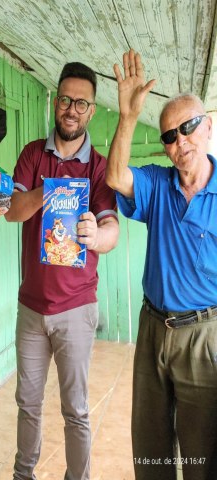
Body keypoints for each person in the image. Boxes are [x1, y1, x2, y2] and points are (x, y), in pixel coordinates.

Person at [4, 61, 119, 480]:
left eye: (82, 103)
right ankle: (23, 474)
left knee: (76, 409)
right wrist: (49, 191)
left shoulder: (99, 167)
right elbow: (12, 212)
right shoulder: (34, 155)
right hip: (32, 309)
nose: (72, 109)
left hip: (76, 308)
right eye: (66, 100)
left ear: (91, 111)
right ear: (56, 102)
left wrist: (94, 232)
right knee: (27, 403)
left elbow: (112, 232)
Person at [106, 49, 217, 480]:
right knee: (149, 445)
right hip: (153, 329)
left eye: (188, 127)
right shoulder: (157, 183)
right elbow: (116, 177)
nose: (180, 141)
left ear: (207, 127)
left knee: (202, 452)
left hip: (204, 336)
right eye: (170, 135)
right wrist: (129, 115)